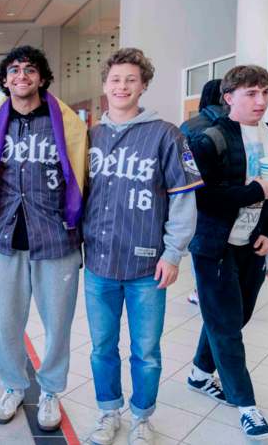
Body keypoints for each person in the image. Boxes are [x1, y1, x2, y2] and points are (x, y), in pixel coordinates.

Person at [84, 48, 202, 445]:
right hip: (98, 262)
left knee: (146, 350)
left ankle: (142, 418)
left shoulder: (167, 133)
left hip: (146, 265)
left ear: (144, 85)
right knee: (102, 346)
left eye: (130, 80)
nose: (122, 86)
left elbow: (184, 199)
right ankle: (108, 412)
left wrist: (173, 253)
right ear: (105, 85)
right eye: (115, 79)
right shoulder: (90, 136)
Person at [0, 45, 88, 429]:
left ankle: (51, 391)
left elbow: (84, 178)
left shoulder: (69, 123)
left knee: (57, 323)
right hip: (6, 237)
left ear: (41, 77)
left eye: (29, 70)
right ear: (4, 80)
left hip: (57, 238)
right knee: (8, 321)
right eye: (13, 70)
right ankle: (12, 386)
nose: (21, 76)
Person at [187, 65, 268, 441]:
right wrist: (254, 192)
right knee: (227, 326)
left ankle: (199, 374)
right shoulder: (208, 139)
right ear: (229, 97)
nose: (260, 100)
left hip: (253, 244)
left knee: (235, 316)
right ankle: (246, 406)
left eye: (264, 92)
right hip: (213, 245)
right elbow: (198, 196)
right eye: (251, 93)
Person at [180, 78, 223, 305]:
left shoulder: (190, 126)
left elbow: (181, 167)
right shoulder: (240, 123)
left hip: (199, 199)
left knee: (203, 250)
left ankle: (202, 292)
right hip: (237, 197)